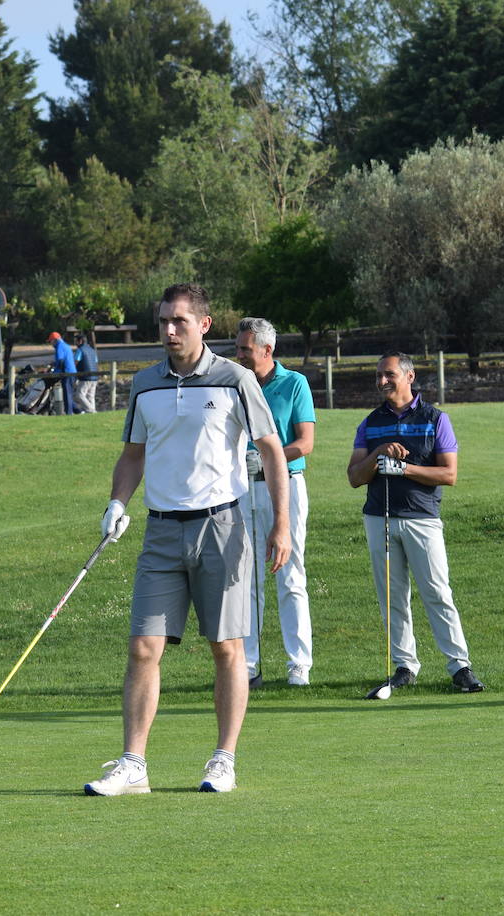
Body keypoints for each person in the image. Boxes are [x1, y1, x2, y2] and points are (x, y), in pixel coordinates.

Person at [86, 283, 291, 796]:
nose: (169, 330)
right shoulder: (145, 384)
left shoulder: (235, 378)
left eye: (179, 321)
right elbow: (133, 454)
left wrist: (280, 524)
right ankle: (134, 765)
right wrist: (117, 502)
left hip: (222, 527)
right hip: (160, 529)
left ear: (204, 324)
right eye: (162, 322)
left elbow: (271, 450)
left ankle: (223, 759)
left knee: (227, 647)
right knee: (142, 647)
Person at [346, 352, 483, 693]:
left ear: (409, 376)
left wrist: (405, 469)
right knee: (392, 597)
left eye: (388, 374)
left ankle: (459, 666)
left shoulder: (435, 419)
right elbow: (354, 477)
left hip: (422, 518)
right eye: (378, 375)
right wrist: (379, 454)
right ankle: (404, 666)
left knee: (437, 592)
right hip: (380, 518)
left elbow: (448, 474)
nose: (382, 381)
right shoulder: (370, 422)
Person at [234, 317, 316, 687]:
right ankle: (248, 665)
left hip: (286, 486)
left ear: (267, 350)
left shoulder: (294, 383)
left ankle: (298, 664)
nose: (239, 355)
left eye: (245, 350)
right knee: (245, 578)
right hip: (242, 488)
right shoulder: (234, 384)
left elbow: (305, 442)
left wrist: (270, 457)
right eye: (238, 348)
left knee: (290, 574)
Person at [47, 331, 77, 415]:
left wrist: (56, 372)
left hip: (66, 372)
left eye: (50, 341)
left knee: (67, 394)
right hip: (72, 372)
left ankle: (69, 413)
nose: (51, 344)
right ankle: (78, 411)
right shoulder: (66, 346)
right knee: (69, 393)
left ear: (54, 340)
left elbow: (61, 361)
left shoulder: (59, 346)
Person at [73, 332, 99, 413]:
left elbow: (75, 363)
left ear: (80, 341)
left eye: (76, 341)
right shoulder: (92, 350)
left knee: (79, 395)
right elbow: (96, 362)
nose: (75, 343)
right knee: (90, 396)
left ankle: (92, 411)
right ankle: (93, 416)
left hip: (85, 376)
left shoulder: (80, 350)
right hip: (95, 376)